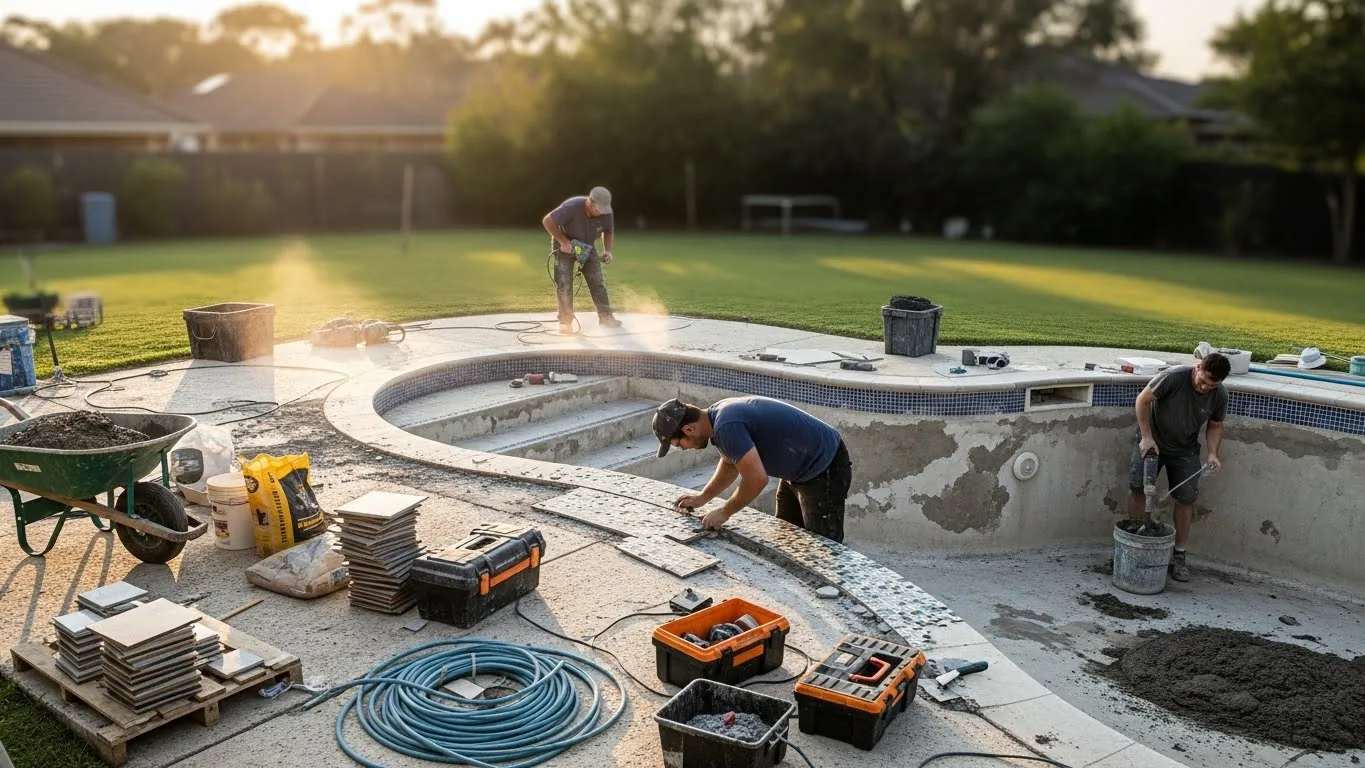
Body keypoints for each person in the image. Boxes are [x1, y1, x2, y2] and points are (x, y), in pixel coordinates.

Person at [651, 395, 853, 542]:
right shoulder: (717, 419)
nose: (684, 449)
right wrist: (703, 497)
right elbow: (730, 464)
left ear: (689, 429)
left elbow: (757, 479)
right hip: (798, 469)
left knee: (824, 547)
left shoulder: (726, 426)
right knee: (787, 535)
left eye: (679, 444)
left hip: (825, 467)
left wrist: (725, 511)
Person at [1127, 352, 1231, 582]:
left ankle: (1179, 555)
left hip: (1184, 449)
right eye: (1202, 380)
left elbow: (1215, 425)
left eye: (1211, 385)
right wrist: (1146, 437)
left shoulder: (1219, 395)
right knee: (1139, 489)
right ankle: (1133, 542)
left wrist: (1213, 453)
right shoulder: (1173, 378)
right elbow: (1142, 400)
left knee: (1186, 498)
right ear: (1197, 367)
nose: (1204, 387)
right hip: (1152, 441)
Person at [541, 186, 622, 334]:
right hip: (565, 245)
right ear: (589, 202)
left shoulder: (606, 213)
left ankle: (605, 317)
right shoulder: (572, 206)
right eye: (597, 210)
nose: (600, 214)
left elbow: (608, 231)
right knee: (564, 283)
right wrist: (563, 241)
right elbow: (548, 220)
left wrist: (608, 251)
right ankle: (565, 322)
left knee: (597, 281)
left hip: (587, 246)